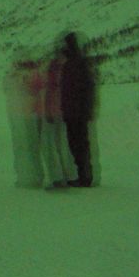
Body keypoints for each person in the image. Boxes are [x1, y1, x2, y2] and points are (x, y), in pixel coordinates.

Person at [59, 32, 98, 187]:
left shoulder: (76, 64)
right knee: (77, 144)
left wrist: (86, 109)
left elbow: (86, 88)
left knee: (79, 144)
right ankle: (84, 175)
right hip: (74, 111)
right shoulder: (74, 63)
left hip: (76, 112)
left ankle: (85, 176)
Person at [3, 50, 44, 188]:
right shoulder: (34, 74)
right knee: (32, 146)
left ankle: (27, 177)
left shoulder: (12, 76)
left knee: (23, 146)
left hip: (20, 115)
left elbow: (6, 89)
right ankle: (33, 176)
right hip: (30, 113)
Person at [40, 50, 73, 190]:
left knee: (52, 146)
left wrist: (47, 111)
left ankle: (58, 177)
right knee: (63, 145)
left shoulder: (52, 74)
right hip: (65, 113)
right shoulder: (68, 73)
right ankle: (67, 176)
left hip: (55, 113)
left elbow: (48, 95)